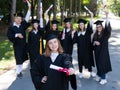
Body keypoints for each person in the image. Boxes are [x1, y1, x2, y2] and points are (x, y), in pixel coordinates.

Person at [7, 2, 31, 79]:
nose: (19, 20)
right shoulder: (11, 27)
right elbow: (9, 36)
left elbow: (27, 18)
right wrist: (17, 35)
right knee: (18, 58)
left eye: (20, 19)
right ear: (15, 19)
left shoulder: (22, 25)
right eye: (17, 18)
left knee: (23, 58)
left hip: (24, 45)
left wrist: (29, 8)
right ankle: (18, 72)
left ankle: (20, 70)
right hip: (17, 46)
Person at [72, 13, 95, 78]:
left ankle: (90, 72)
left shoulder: (88, 32)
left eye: (82, 24)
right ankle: (81, 72)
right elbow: (74, 41)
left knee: (89, 60)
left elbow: (90, 26)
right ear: (79, 26)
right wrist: (73, 35)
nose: (81, 26)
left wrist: (91, 17)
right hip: (80, 50)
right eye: (80, 25)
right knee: (80, 61)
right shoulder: (77, 33)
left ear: (84, 25)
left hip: (87, 50)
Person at [93, 11, 112, 85]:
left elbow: (108, 28)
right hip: (97, 52)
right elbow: (92, 43)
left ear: (102, 26)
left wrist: (107, 16)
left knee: (101, 64)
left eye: (100, 26)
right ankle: (99, 74)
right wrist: (94, 43)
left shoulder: (105, 33)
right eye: (97, 27)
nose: (98, 28)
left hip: (103, 52)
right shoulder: (95, 34)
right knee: (98, 63)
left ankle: (104, 78)